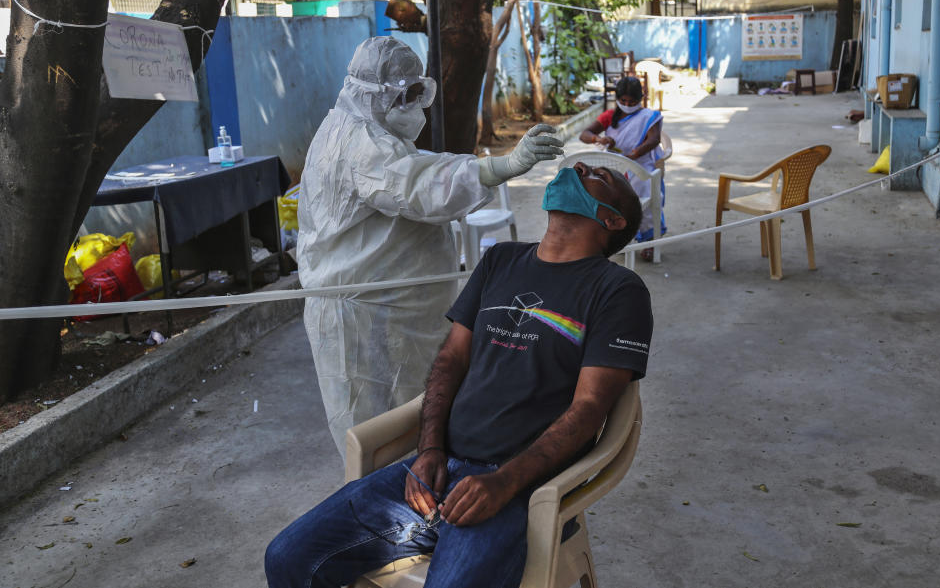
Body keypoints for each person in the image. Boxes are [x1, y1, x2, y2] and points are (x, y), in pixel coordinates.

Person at [267, 162, 653, 588]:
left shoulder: (618, 290)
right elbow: (451, 359)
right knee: (288, 557)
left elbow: (589, 408)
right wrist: (429, 448)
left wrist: (504, 482)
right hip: (436, 471)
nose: (578, 165)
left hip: (519, 491)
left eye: (600, 175)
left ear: (611, 220)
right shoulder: (501, 260)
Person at [297, 37, 564, 459]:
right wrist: (502, 166)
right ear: (373, 93)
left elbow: (416, 168)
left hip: (390, 306)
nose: (413, 105)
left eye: (416, 92)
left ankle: (412, 506)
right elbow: (418, 186)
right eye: (403, 96)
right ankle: (384, 518)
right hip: (365, 313)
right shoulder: (359, 143)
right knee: (377, 433)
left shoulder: (364, 130)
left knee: (414, 423)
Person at [579, 75, 667, 261]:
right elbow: (585, 135)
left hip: (640, 162)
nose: (627, 104)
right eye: (623, 100)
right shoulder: (610, 116)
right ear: (617, 99)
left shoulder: (649, 116)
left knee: (645, 190)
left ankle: (649, 239)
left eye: (632, 101)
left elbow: (654, 139)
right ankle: (615, 238)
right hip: (616, 163)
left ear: (640, 99)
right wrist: (598, 139)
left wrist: (636, 153)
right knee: (604, 194)